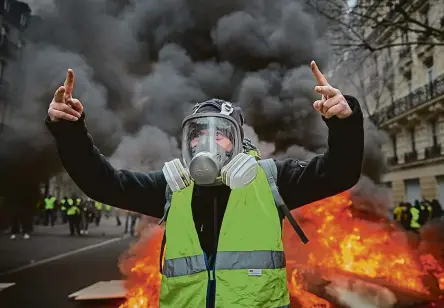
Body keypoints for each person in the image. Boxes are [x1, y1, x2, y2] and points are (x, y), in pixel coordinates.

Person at [46, 62, 364, 307]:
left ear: (238, 141)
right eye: (198, 134)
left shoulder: (270, 180)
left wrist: (344, 123)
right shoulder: (173, 186)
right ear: (187, 141)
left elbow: (340, 172)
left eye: (220, 134)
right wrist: (70, 132)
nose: (207, 142)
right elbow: (103, 184)